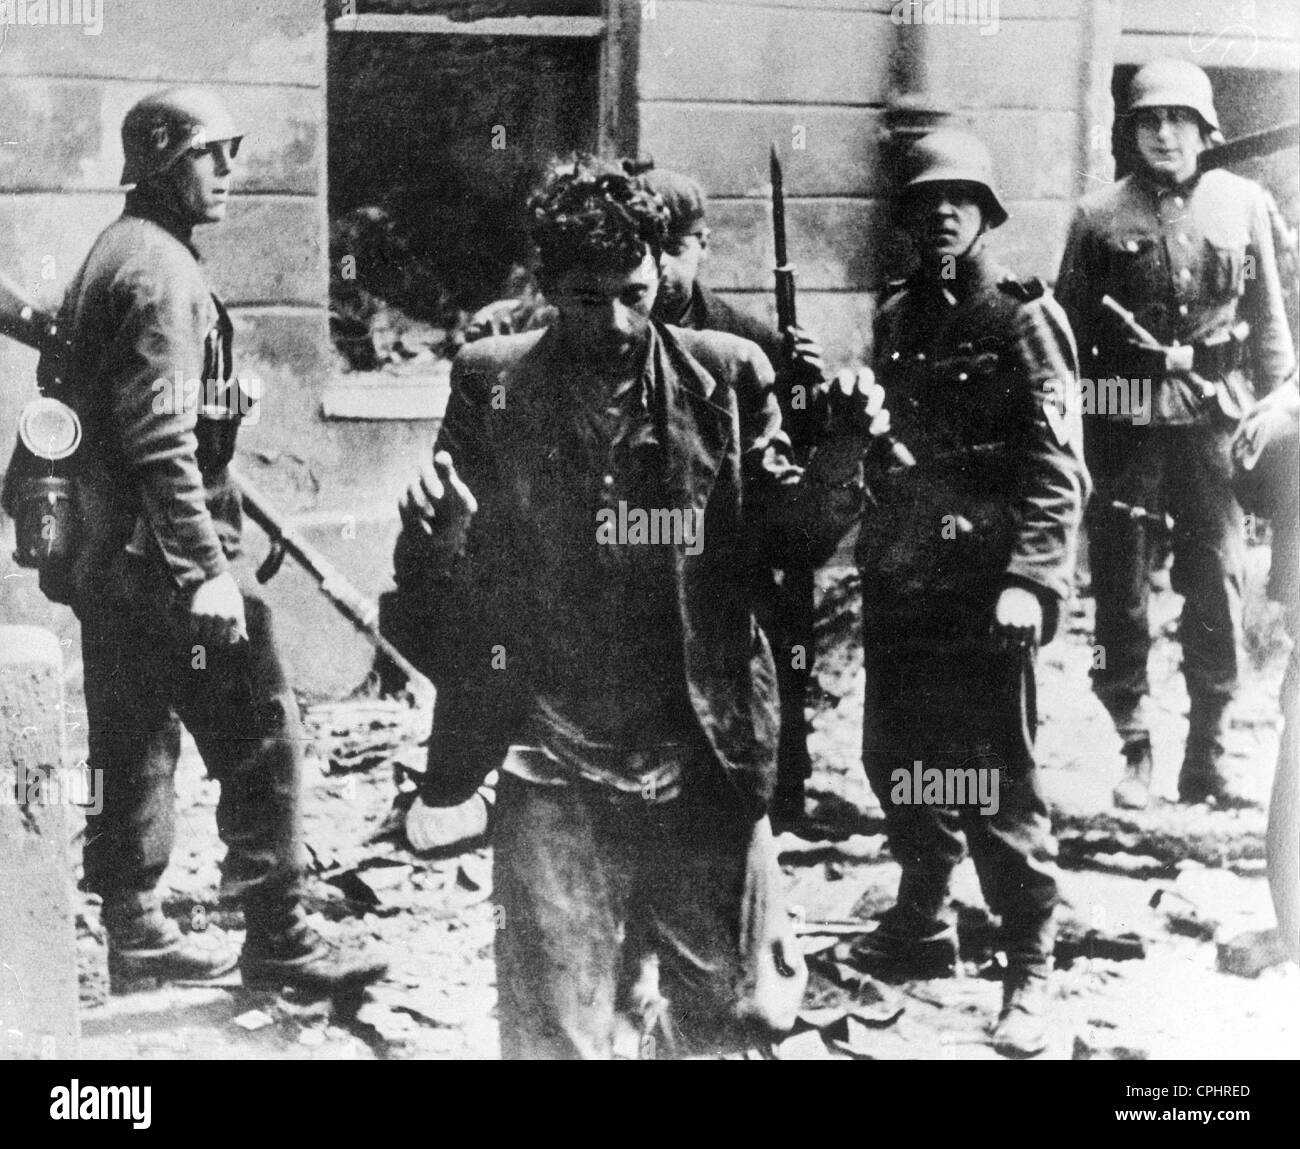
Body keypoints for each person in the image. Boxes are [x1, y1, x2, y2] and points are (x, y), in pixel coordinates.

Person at [390, 157, 880, 1058]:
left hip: (697, 748)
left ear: (661, 273)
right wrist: (438, 536)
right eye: (585, 299)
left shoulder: (728, 379)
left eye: (635, 292)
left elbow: (792, 541)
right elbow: (433, 605)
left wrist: (847, 446)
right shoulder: (490, 385)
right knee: (556, 1025)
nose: (615, 322)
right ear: (545, 288)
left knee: (721, 1016)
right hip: (552, 749)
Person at [44, 89, 387, 994]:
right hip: (159, 559)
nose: (230, 172)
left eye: (230, 152)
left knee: (133, 733)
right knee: (260, 728)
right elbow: (158, 438)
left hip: (106, 556)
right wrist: (208, 573)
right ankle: (281, 936)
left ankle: (137, 929)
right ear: (162, 164)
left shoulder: (128, 249)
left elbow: (134, 405)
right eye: (209, 155)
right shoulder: (160, 273)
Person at [852, 129, 1089, 1058]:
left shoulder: (1022, 317)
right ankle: (924, 919)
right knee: (896, 757)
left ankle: (1028, 962)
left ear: (986, 212)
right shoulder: (897, 317)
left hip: (989, 588)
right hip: (908, 576)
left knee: (994, 776)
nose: (943, 211)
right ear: (909, 216)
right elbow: (886, 441)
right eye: (927, 198)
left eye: (961, 197)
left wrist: (1032, 580)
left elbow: (1058, 465)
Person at [1056, 59, 1296, 810]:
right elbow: (1066, 338)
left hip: (1214, 424)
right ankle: (1133, 742)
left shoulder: (1243, 205)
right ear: (1131, 132)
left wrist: (1278, 400)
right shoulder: (1097, 217)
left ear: (1204, 129)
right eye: (1149, 120)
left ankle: (1208, 749)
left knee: (1217, 582)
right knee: (1120, 591)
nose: (1164, 132)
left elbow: (1270, 327)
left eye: (1178, 119)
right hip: (1122, 423)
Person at [643, 166, 830, 825]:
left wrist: (807, 381)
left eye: (676, 247)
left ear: (704, 245)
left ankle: (784, 795)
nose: (661, 266)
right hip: (658, 540)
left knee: (775, 658)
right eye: (647, 246)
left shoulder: (750, 340)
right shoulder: (614, 338)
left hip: (742, 541)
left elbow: (801, 447)